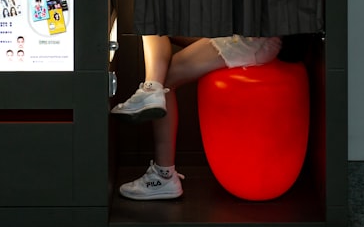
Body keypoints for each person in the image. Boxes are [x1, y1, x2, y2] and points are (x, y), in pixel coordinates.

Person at [110, 34, 282, 200]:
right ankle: (151, 88)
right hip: (233, 30)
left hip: (254, 39)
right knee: (154, 22)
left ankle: (163, 175)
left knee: (166, 76)